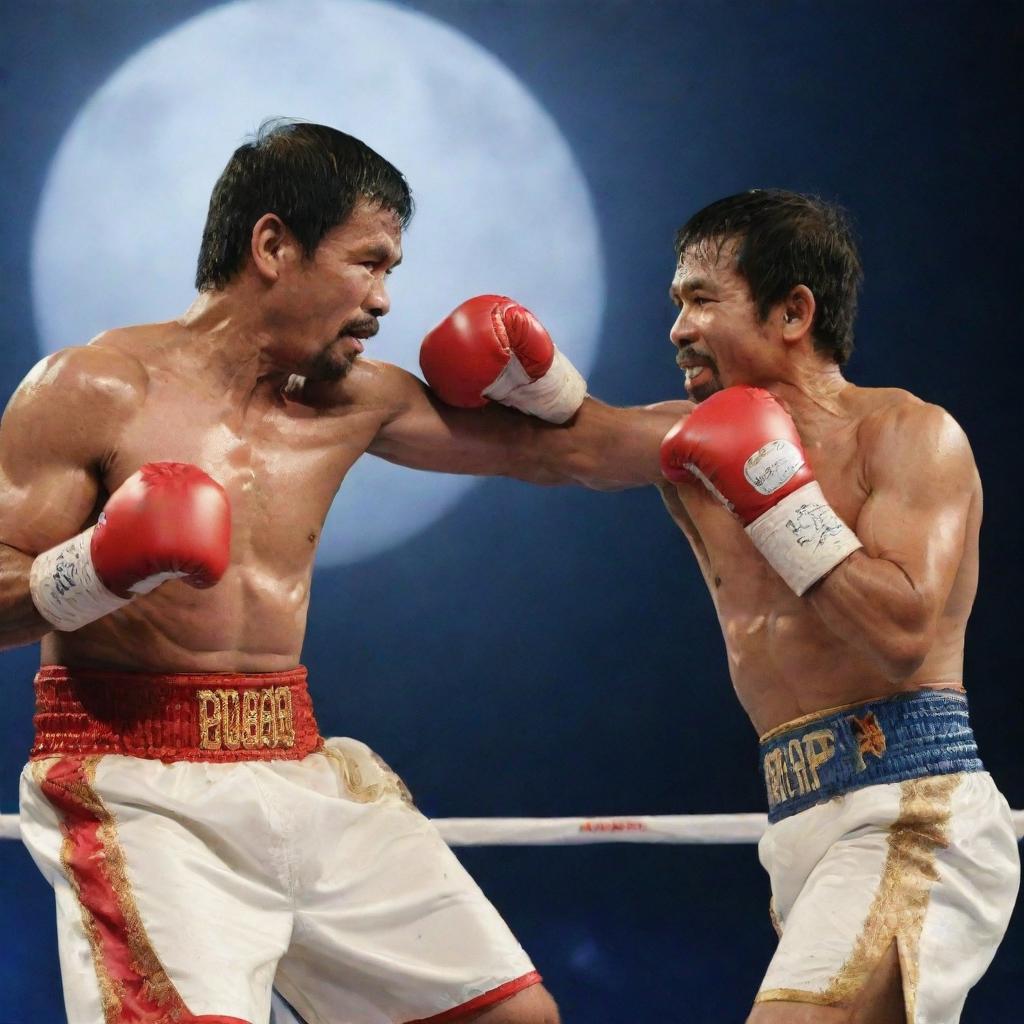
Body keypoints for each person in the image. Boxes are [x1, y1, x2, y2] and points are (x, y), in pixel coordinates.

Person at [1, 119, 681, 1024]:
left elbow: (582, 452)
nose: (386, 300)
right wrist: (100, 567)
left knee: (513, 1019)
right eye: (369, 263)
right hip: (137, 782)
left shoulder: (357, 401)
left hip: (301, 762)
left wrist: (572, 391)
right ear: (275, 245)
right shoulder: (92, 389)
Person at [423, 189, 1020, 1024]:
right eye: (676, 304)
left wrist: (775, 497)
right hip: (799, 819)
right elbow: (559, 448)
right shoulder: (688, 445)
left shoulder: (908, 434)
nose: (677, 329)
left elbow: (902, 633)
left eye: (701, 299)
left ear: (792, 311)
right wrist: (339, 398)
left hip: (912, 808)